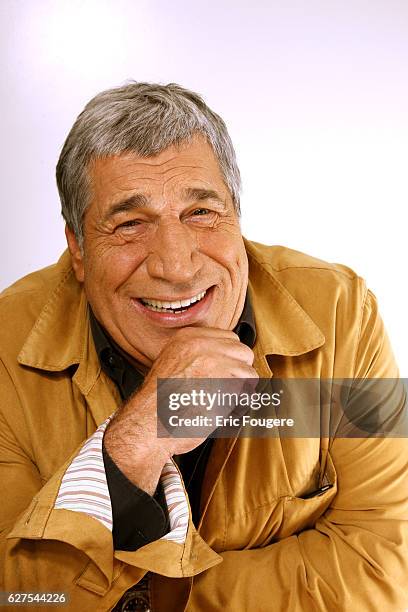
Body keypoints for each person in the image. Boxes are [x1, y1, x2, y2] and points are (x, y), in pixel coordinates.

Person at [0, 82, 407, 612]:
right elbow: (21, 596)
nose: (177, 266)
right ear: (77, 247)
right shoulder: (6, 346)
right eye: (129, 223)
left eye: (200, 213)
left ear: (236, 213)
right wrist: (136, 441)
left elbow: (387, 565)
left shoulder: (340, 311)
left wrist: (146, 598)